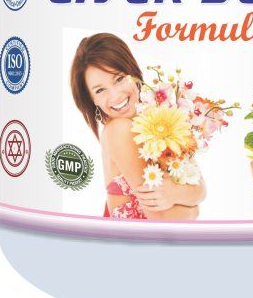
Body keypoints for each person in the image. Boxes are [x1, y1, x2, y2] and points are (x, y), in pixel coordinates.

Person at [70, 33, 206, 219]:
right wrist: (193, 208)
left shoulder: (157, 119)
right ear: (92, 99)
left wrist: (174, 193)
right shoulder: (119, 130)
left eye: (119, 79)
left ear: (132, 72)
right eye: (100, 90)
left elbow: (200, 188)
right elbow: (163, 219)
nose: (116, 96)